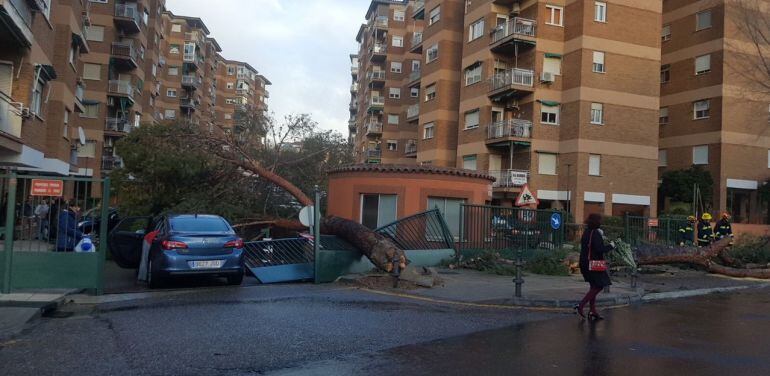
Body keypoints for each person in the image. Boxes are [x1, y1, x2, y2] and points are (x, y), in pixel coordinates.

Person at [575, 213, 615, 321]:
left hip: (584, 262)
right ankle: (581, 305)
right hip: (593, 264)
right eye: (600, 220)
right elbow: (599, 249)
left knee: (594, 286)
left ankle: (593, 311)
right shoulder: (595, 233)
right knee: (599, 286)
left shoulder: (586, 232)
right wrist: (611, 246)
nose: (601, 222)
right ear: (597, 222)